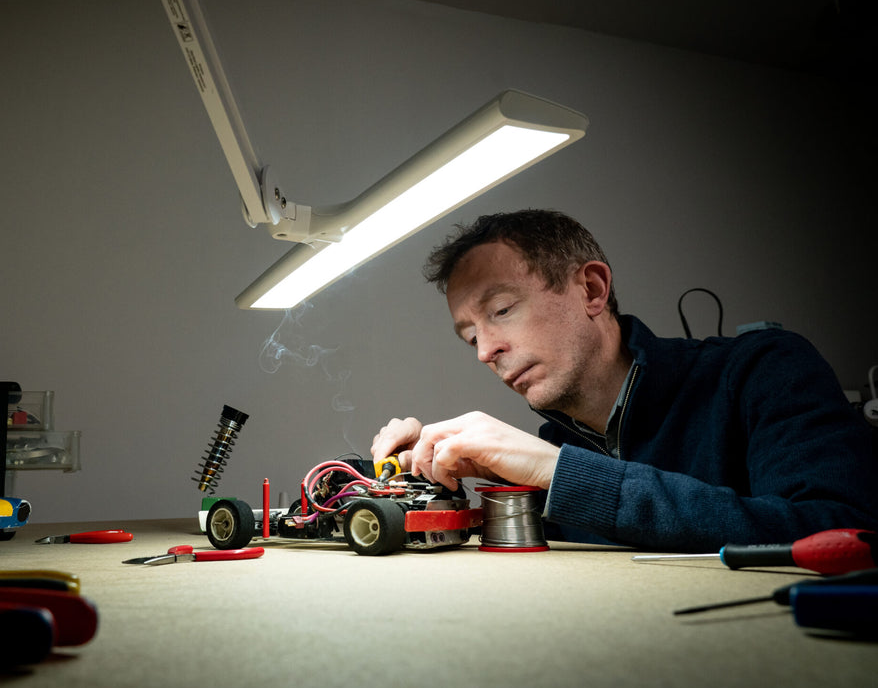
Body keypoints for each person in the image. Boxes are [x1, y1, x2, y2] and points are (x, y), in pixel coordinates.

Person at [370, 209, 878, 551]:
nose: (485, 351)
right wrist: (409, 470)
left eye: (501, 310)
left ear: (591, 289)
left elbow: (842, 533)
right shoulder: (554, 448)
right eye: (468, 338)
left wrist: (565, 473)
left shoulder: (762, 370)